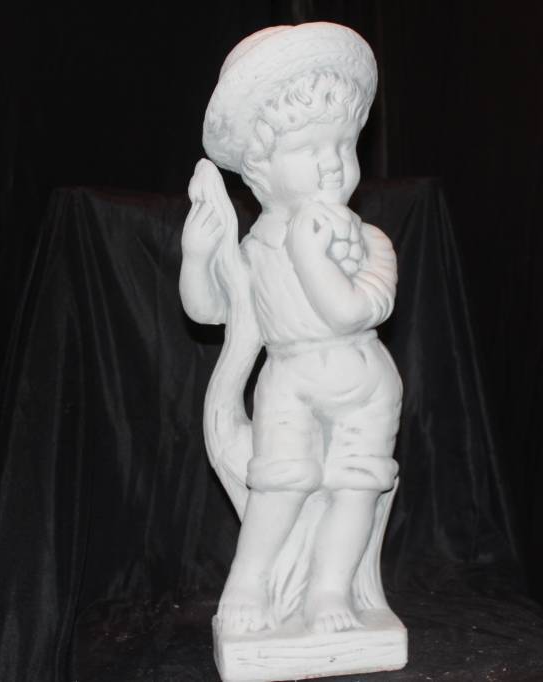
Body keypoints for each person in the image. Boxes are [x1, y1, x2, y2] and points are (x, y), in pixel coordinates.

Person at [180, 22, 402, 636]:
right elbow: (210, 311)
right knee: (280, 483)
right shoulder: (256, 250)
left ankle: (331, 592)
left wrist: (312, 248)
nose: (333, 165)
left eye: (345, 146)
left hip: (365, 380)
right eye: (311, 149)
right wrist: (198, 256)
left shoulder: (372, 242)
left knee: (357, 486)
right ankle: (248, 583)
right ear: (261, 169)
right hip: (291, 377)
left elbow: (351, 312)